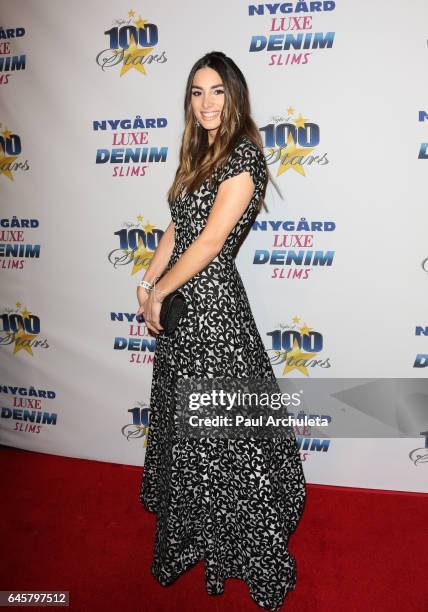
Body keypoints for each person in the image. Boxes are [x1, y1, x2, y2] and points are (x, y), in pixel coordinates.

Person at [136, 51, 306, 611]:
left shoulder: (244, 159)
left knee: (227, 439)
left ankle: (251, 549)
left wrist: (161, 293)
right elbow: (175, 228)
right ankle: (196, 537)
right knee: (192, 435)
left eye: (216, 91)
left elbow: (209, 243)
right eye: (196, 92)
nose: (206, 103)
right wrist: (147, 281)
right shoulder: (199, 153)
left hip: (215, 314)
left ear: (235, 95)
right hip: (184, 310)